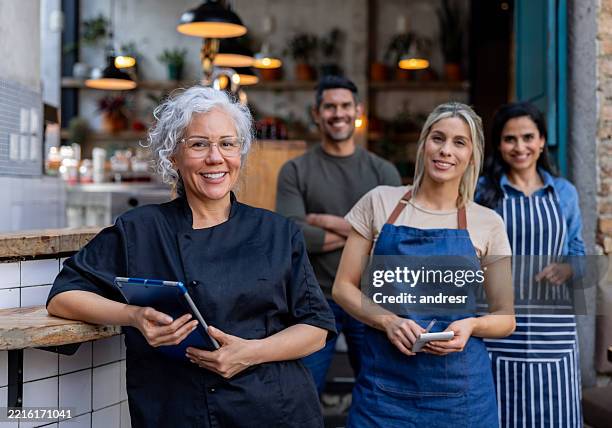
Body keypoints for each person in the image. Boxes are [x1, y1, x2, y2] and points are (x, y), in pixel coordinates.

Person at [46, 86, 336, 428]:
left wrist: (249, 353)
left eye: (227, 144)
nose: (216, 158)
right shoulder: (141, 229)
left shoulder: (277, 232)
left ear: (239, 153)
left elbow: (316, 327)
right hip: (178, 410)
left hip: (273, 409)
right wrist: (134, 315)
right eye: (199, 144)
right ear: (173, 156)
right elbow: (63, 297)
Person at [332, 102, 516, 427]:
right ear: (423, 143)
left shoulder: (487, 222)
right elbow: (343, 288)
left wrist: (471, 325)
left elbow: (505, 317)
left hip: (462, 396)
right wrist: (388, 321)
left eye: (459, 142)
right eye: (438, 138)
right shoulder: (380, 202)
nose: (445, 150)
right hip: (383, 393)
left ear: (473, 155)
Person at [276, 75, 401, 394]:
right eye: (329, 106)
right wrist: (362, 232)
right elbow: (293, 236)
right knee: (303, 392)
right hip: (314, 300)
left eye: (345, 106)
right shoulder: (295, 170)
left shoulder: (382, 171)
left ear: (358, 110)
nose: (338, 113)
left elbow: (390, 239)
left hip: (370, 299)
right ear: (316, 113)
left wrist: (327, 222)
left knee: (379, 391)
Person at [476, 102, 585, 427]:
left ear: (541, 141)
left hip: (553, 323)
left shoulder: (563, 193)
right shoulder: (484, 192)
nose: (520, 147)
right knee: (501, 409)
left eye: (528, 137)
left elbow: (578, 250)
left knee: (557, 412)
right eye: (510, 139)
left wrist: (567, 269)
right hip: (498, 318)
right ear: (498, 144)